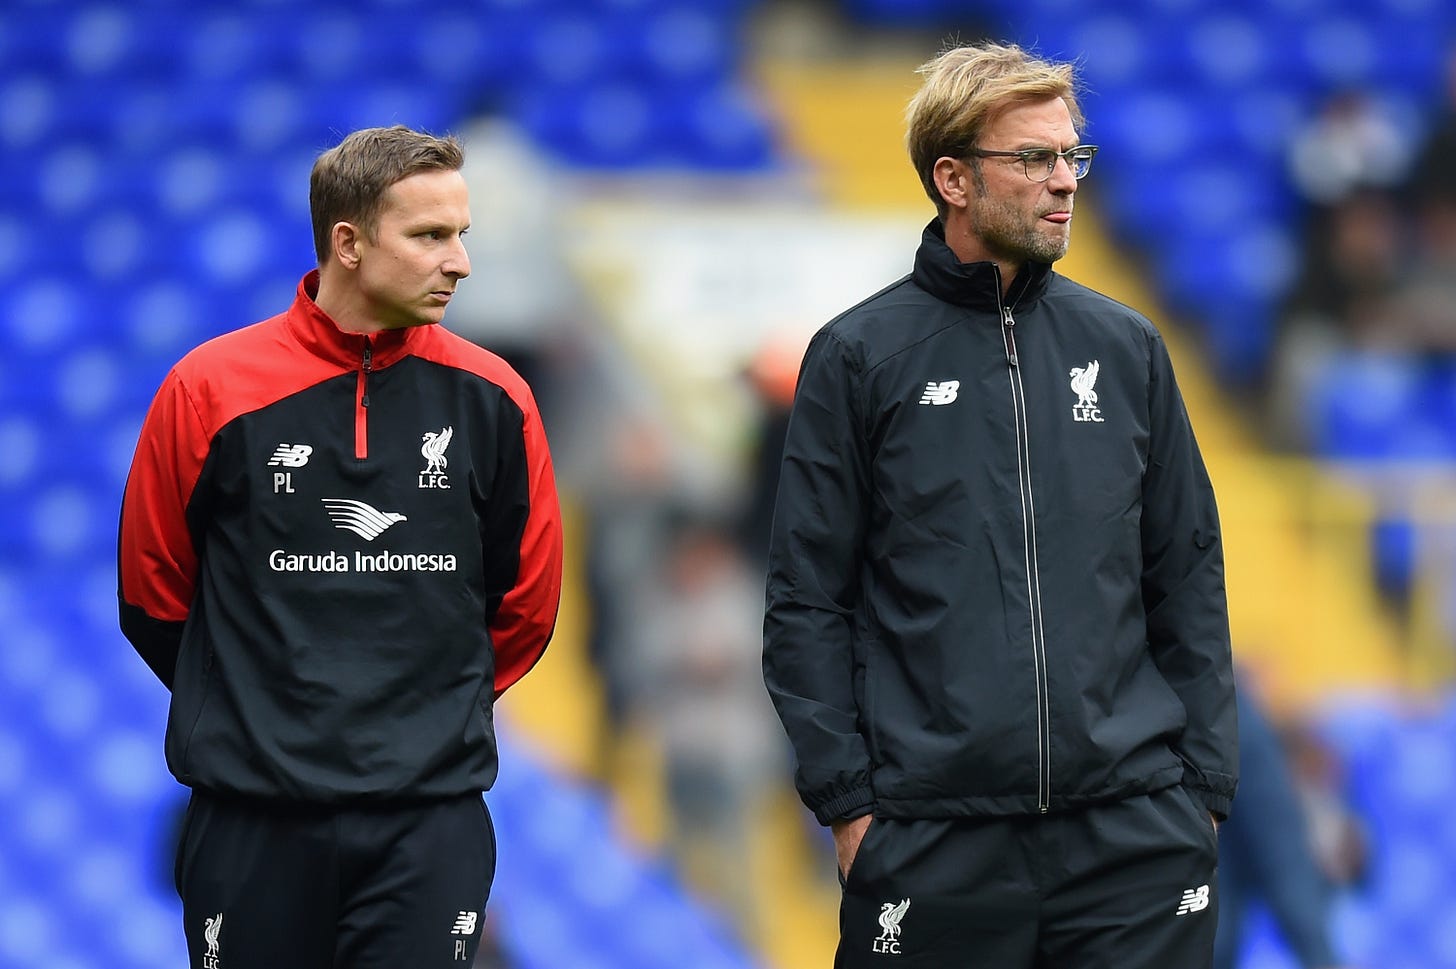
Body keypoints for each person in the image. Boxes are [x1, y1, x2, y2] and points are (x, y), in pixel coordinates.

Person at [762, 42, 1238, 968]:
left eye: (1072, 156)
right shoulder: (860, 357)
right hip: (933, 836)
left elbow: (1188, 571)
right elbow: (806, 600)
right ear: (952, 177)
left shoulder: (1128, 346)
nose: (1064, 182)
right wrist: (852, 805)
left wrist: (1202, 790)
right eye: (1034, 158)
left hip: (1133, 837)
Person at [118, 125, 563, 969]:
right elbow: (153, 593)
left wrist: (421, 714)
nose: (461, 261)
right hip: (251, 818)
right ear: (347, 243)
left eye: (462, 234)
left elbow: (527, 606)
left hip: (427, 822)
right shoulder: (208, 389)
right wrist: (266, 708)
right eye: (431, 235)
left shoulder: (497, 398)